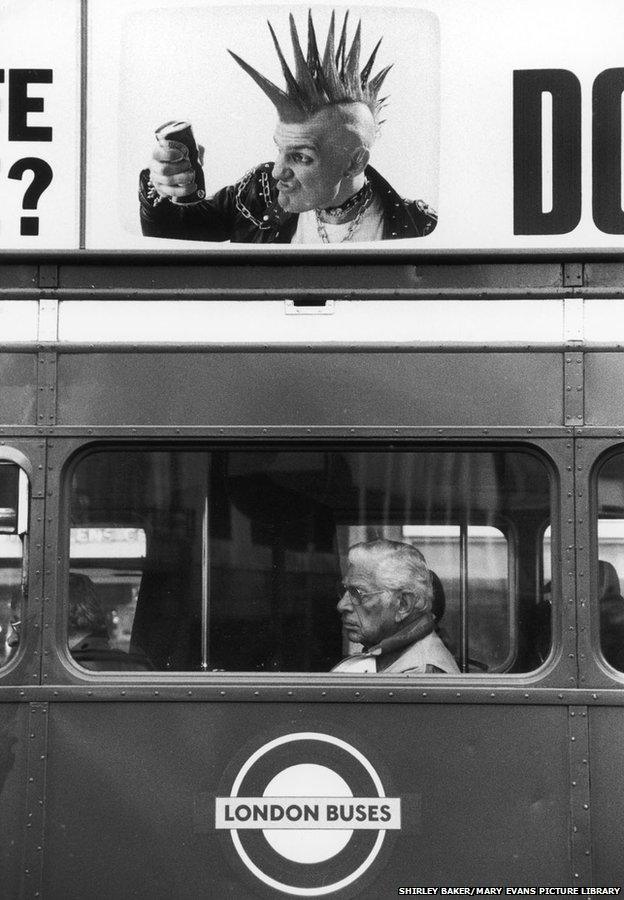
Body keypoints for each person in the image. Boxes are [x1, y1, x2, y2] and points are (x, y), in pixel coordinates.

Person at [140, 10, 437, 244]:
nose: (276, 171)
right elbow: (177, 230)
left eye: (301, 157)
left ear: (354, 161)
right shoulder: (258, 194)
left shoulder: (418, 227)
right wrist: (163, 189)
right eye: (280, 150)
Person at [333, 539, 459, 674]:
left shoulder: (417, 673)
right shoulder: (397, 659)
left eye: (358, 593)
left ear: (403, 605)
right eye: (345, 590)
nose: (341, 605)